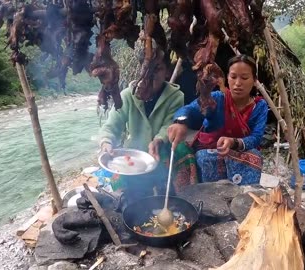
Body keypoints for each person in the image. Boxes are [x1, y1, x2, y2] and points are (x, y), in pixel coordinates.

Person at [98, 42, 184, 203]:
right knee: (129, 193)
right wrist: (106, 142)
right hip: (135, 153)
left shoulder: (176, 96)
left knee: (168, 179)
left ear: (166, 71)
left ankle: (170, 198)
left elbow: (169, 125)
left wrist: (158, 140)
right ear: (141, 69)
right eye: (147, 68)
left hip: (162, 149)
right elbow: (111, 126)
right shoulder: (127, 96)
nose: (150, 75)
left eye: (157, 69)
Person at [167, 54, 268, 187]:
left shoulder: (259, 106)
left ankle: (243, 197)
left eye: (244, 78)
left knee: (254, 157)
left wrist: (233, 142)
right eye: (233, 77)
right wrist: (180, 122)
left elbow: (256, 138)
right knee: (202, 157)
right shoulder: (217, 99)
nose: (238, 83)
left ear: (254, 80)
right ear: (227, 78)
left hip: (239, 152)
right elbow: (190, 109)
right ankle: (206, 196)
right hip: (212, 152)